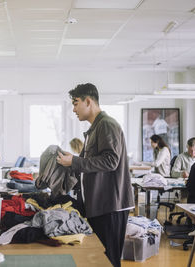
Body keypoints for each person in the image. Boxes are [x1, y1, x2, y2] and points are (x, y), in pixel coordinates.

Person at [56, 83, 134, 267]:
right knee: (98, 257)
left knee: (108, 258)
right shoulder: (94, 128)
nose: (73, 109)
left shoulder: (107, 125)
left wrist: (74, 161)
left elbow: (110, 161)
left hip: (111, 205)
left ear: (88, 101)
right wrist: (72, 161)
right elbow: (91, 164)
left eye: (76, 103)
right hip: (99, 204)